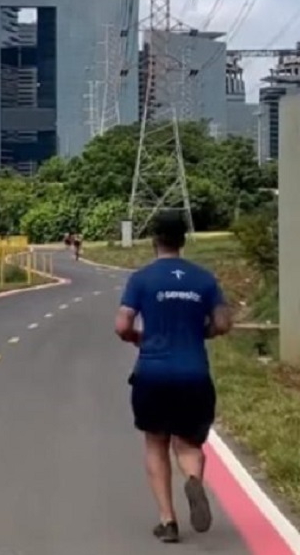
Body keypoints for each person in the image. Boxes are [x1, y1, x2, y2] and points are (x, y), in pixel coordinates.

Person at [114, 209, 233, 544]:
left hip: (153, 374)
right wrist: (201, 332)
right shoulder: (204, 279)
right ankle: (193, 479)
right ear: (183, 241)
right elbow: (223, 323)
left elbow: (122, 325)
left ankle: (168, 521)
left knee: (156, 442)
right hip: (193, 374)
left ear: (155, 240)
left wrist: (137, 338)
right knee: (188, 443)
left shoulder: (141, 279)